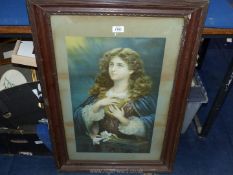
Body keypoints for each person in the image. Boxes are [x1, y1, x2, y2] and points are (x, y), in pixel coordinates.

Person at [74, 48, 156, 153]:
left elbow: (153, 125)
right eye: (111, 64)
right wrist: (97, 106)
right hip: (99, 150)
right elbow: (77, 121)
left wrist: (126, 121)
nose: (113, 69)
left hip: (130, 153)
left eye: (119, 65)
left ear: (131, 70)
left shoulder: (143, 99)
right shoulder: (98, 96)